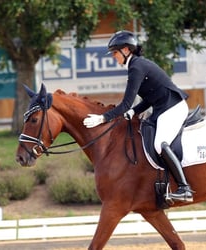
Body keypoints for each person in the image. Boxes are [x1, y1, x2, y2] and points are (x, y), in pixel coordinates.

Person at [83, 30, 194, 202]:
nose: (113, 57)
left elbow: (125, 104)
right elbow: (149, 98)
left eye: (115, 52)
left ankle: (184, 188)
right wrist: (134, 112)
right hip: (162, 108)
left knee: (160, 144)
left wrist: (102, 118)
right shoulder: (136, 65)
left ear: (126, 50)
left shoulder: (136, 67)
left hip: (173, 108)